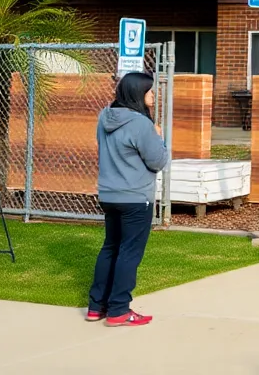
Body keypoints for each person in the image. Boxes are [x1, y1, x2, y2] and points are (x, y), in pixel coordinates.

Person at [87, 71, 168, 328]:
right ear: (137, 94)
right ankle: (119, 309)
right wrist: (157, 136)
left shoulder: (104, 116)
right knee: (129, 253)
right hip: (135, 198)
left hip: (109, 194)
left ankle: (96, 306)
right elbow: (158, 161)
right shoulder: (141, 125)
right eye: (150, 91)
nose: (153, 95)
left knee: (110, 247)